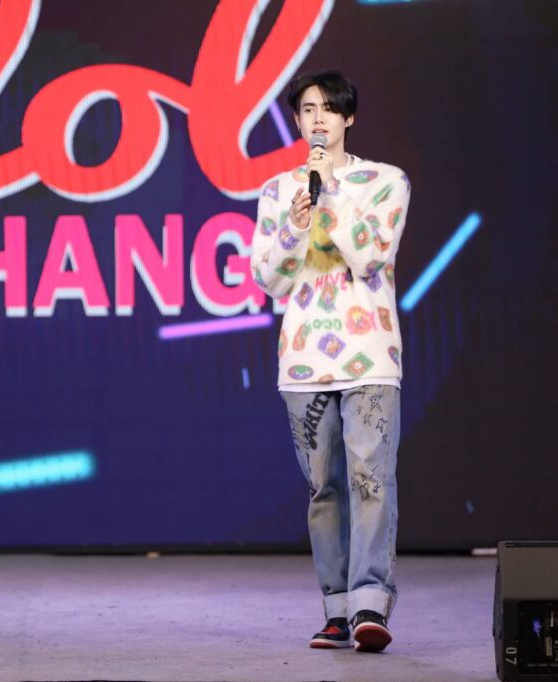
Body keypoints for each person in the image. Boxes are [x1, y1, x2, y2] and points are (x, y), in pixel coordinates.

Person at [250, 71, 410, 652]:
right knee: (324, 489)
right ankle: (336, 610)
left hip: (369, 355)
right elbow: (268, 279)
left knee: (370, 480)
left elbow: (371, 256)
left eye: (328, 108)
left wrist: (332, 196)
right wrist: (295, 229)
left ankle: (370, 604)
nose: (317, 118)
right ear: (297, 121)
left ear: (348, 118)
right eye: (307, 109)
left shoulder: (385, 181)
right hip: (304, 359)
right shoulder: (277, 191)